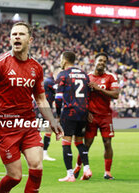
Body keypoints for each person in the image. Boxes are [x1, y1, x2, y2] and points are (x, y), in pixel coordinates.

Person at [0, 22, 62, 193]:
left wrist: (52, 121)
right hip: (5, 127)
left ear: (29, 39)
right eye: (13, 34)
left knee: (37, 166)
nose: (16, 37)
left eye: (21, 34)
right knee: (15, 176)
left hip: (28, 124)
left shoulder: (36, 67)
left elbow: (41, 99)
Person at [73, 52, 120, 180]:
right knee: (86, 144)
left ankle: (107, 172)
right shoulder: (87, 77)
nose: (102, 63)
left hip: (105, 116)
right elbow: (81, 97)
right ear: (94, 61)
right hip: (91, 116)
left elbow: (116, 94)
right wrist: (86, 112)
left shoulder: (111, 77)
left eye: (104, 61)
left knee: (107, 143)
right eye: (100, 60)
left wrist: (99, 89)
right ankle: (77, 166)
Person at [55, 51, 92, 182]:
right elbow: (89, 94)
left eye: (60, 59)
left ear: (64, 60)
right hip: (83, 112)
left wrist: (58, 115)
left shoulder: (63, 75)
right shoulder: (84, 74)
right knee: (79, 142)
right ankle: (87, 168)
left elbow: (58, 97)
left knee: (66, 142)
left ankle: (70, 174)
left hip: (69, 112)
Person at [42, 74, 57, 161]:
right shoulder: (49, 81)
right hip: (42, 109)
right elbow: (58, 90)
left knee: (48, 130)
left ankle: (44, 154)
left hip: (45, 108)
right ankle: (43, 153)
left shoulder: (50, 81)